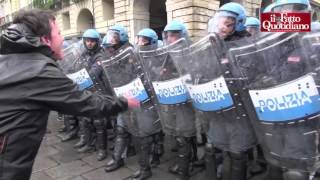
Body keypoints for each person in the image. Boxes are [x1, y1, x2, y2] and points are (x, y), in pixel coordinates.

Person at [0, 9, 139, 180]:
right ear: (45, 39)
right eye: (58, 33)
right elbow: (86, 102)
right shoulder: (39, 69)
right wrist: (124, 103)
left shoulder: (10, 60)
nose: (62, 38)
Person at [206, 3, 255, 180]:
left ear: (239, 23)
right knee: (213, 148)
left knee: (237, 153)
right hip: (218, 107)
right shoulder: (213, 44)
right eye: (220, 22)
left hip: (239, 109)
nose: (222, 27)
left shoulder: (247, 44)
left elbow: (250, 73)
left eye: (228, 23)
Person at [72, 29, 112, 161]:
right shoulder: (84, 54)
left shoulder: (100, 55)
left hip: (99, 91)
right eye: (87, 41)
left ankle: (102, 149)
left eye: (92, 41)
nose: (89, 43)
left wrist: (80, 76)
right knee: (85, 119)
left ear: (97, 42)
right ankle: (89, 143)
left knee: (99, 121)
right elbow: (76, 66)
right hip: (87, 90)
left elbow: (94, 72)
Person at [104, 24, 137, 172]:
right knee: (121, 128)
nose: (111, 39)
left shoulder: (129, 52)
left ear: (122, 36)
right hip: (122, 95)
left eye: (114, 36)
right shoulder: (114, 52)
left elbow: (130, 73)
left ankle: (150, 160)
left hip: (133, 95)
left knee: (141, 130)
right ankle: (118, 158)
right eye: (111, 35)